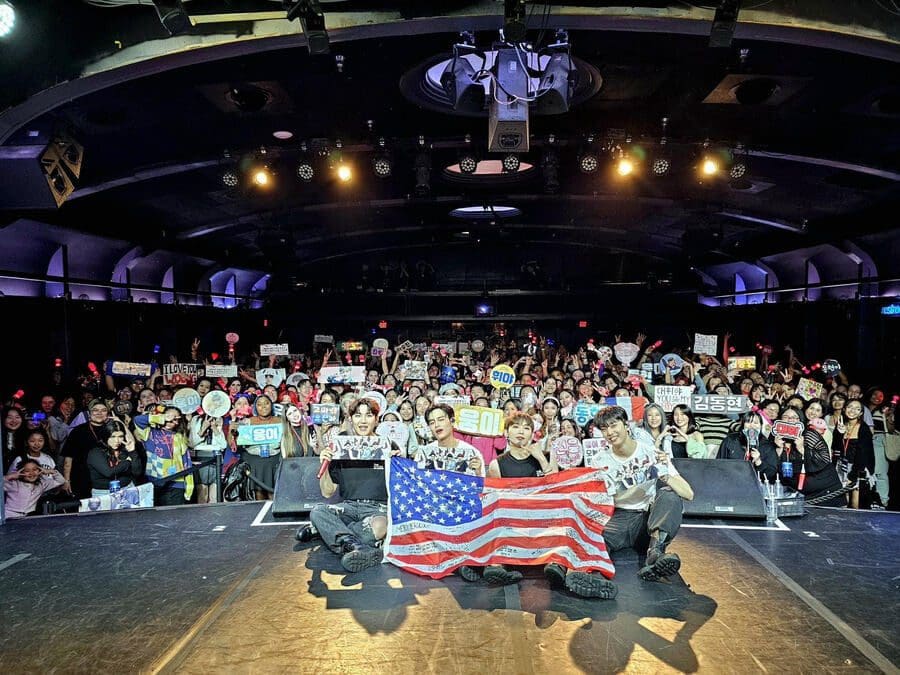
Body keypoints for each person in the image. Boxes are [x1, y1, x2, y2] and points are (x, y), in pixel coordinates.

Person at [593, 406, 694, 582]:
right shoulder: (599, 461)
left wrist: (664, 475)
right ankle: (595, 575)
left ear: (626, 425)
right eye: (604, 429)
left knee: (669, 494)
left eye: (613, 425)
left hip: (648, 520)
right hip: (619, 518)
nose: (609, 432)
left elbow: (688, 494)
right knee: (593, 536)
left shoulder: (651, 453)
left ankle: (655, 554)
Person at [298, 399, 398, 573]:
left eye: (369, 415)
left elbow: (399, 486)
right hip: (348, 507)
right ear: (351, 419)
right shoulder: (341, 444)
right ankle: (356, 546)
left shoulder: (387, 445)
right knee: (318, 511)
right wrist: (327, 462)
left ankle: (329, 534)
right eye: (358, 415)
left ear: (376, 419)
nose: (363, 420)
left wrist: (398, 461)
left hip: (377, 509)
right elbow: (328, 492)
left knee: (381, 527)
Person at [134, 405, 194, 506]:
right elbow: (137, 420)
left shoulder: (179, 437)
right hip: (155, 482)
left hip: (176, 482)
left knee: (175, 518)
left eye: (176, 419)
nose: (172, 420)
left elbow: (186, 462)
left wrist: (189, 486)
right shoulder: (149, 433)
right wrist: (162, 417)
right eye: (170, 417)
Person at [61, 399, 111, 498]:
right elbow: (68, 458)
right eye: (95, 410)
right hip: (82, 477)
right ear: (89, 413)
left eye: (103, 410)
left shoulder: (112, 429)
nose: (99, 413)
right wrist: (66, 480)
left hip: (105, 479)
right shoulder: (78, 431)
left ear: (108, 413)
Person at [832, 398, 876, 509]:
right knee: (843, 502)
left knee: (856, 504)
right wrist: (839, 433)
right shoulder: (841, 424)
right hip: (842, 466)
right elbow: (836, 447)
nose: (853, 410)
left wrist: (853, 475)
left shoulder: (864, 429)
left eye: (857, 409)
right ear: (845, 408)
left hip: (859, 468)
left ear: (861, 413)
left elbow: (864, 455)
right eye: (850, 407)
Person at [717, 411, 778, 481]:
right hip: (731, 482)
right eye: (748, 422)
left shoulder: (767, 445)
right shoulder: (731, 440)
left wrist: (759, 462)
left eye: (755, 423)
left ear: (761, 426)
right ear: (743, 425)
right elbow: (719, 464)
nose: (752, 426)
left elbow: (772, 474)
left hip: (757, 486)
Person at [87, 421, 142, 495]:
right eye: (113, 436)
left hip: (127, 488)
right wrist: (127, 462)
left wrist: (132, 452)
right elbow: (109, 473)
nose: (117, 441)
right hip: (104, 492)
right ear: (105, 435)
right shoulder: (96, 452)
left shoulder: (124, 449)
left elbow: (137, 472)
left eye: (120, 436)